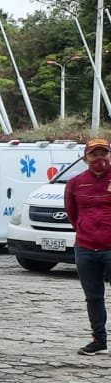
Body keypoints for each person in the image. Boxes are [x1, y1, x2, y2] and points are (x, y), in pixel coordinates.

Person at [65, 136, 111, 355]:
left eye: (104, 153)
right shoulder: (75, 183)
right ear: (85, 158)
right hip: (85, 248)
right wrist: (85, 230)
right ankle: (98, 340)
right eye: (94, 154)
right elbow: (72, 214)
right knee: (93, 297)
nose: (99, 158)